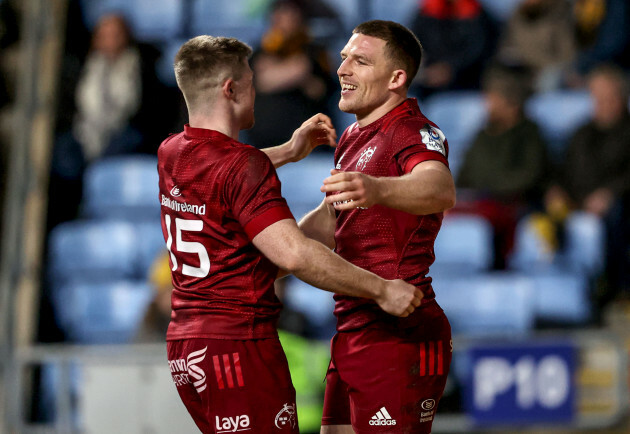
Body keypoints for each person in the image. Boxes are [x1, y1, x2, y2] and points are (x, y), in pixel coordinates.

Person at [159, 35, 423, 434]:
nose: (257, 88)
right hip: (237, 346)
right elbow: (295, 256)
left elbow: (220, 174)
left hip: (186, 348)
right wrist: (383, 289)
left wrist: (286, 151)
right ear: (231, 89)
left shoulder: (172, 153)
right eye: (251, 80)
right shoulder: (241, 166)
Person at [297, 20, 456, 433]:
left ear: (396, 78)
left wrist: (376, 187)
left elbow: (439, 188)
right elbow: (329, 222)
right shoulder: (352, 137)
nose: (342, 69)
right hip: (353, 327)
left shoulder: (413, 129)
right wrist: (263, 255)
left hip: (398, 331)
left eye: (360, 61)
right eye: (344, 56)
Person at [545, 64, 630, 305]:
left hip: (616, 205)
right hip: (576, 201)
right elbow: (562, 171)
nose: (602, 104)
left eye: (608, 98)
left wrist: (610, 193)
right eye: (597, 98)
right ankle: (563, 296)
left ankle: (614, 291)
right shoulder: (581, 133)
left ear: (622, 98)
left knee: (615, 216)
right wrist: (556, 190)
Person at [456, 66, 550, 268]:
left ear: (512, 104)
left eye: (494, 99)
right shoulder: (482, 135)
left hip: (513, 204)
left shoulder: (530, 134)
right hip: (478, 201)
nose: (488, 105)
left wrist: (490, 187)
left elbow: (529, 176)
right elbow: (464, 174)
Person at [246, 0, 334, 149]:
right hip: (263, 145)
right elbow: (261, 81)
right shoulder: (260, 51)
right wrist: (294, 73)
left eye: (289, 14)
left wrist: (290, 71)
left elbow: (319, 88)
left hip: (307, 146)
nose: (282, 19)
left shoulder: (314, 51)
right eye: (278, 14)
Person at [409, 0, 496, 96]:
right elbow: (413, 44)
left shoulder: (476, 13)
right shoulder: (426, 12)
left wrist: (451, 68)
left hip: (468, 83)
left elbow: (479, 49)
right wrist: (427, 71)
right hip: (428, 81)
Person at [496, 0, 575, 91]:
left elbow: (567, 53)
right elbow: (507, 44)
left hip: (550, 69)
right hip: (524, 67)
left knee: (548, 81)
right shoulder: (518, 14)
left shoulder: (561, 12)